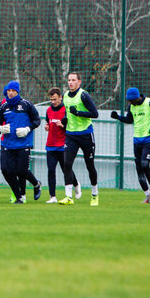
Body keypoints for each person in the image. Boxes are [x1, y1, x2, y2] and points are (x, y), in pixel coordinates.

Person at [110, 87, 150, 203]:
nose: (129, 102)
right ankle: (147, 195)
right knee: (139, 168)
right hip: (137, 140)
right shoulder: (131, 106)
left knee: (145, 164)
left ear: (137, 98)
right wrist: (118, 117)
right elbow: (130, 120)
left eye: (131, 100)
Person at [0, 81, 40, 204]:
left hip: (23, 143)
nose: (10, 93)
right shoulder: (4, 107)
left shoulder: (26, 105)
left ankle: (36, 184)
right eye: (8, 91)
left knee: (22, 170)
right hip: (7, 144)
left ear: (17, 91)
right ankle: (18, 195)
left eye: (13, 91)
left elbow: (37, 120)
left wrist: (27, 129)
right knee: (5, 169)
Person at [59, 72, 100, 206]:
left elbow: (95, 113)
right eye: (69, 80)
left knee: (90, 165)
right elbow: (66, 113)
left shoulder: (83, 95)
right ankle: (68, 196)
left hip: (86, 135)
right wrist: (65, 120)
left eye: (73, 80)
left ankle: (94, 194)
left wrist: (78, 113)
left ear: (79, 82)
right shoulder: (65, 95)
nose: (70, 82)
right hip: (71, 135)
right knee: (67, 164)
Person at [44, 87, 80, 203]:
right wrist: (47, 126)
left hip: (62, 145)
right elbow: (48, 122)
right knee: (50, 170)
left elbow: (71, 126)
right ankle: (52, 197)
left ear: (61, 97)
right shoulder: (49, 110)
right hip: (50, 145)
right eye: (51, 100)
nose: (53, 102)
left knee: (66, 169)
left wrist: (63, 126)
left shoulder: (66, 110)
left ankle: (75, 184)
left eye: (55, 99)